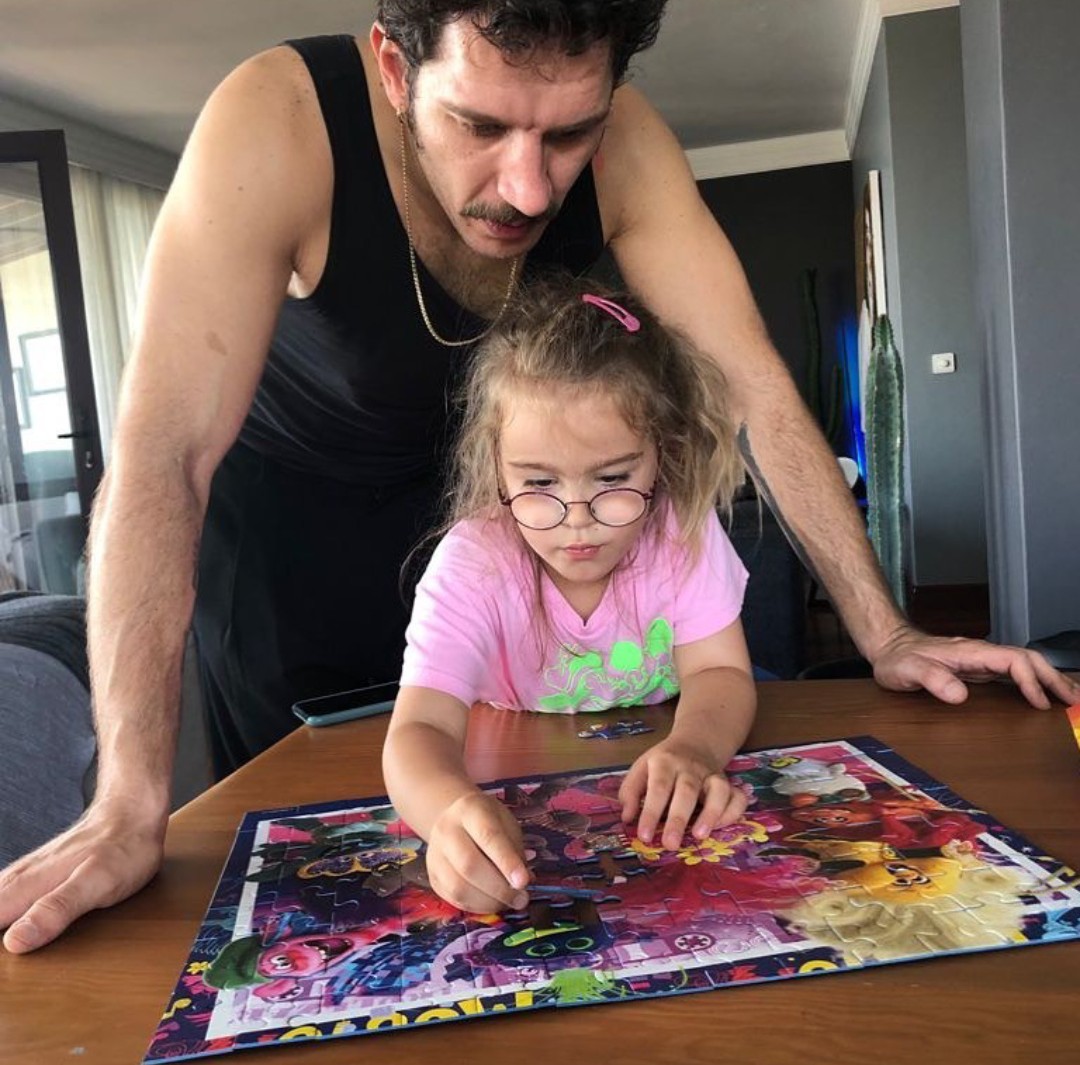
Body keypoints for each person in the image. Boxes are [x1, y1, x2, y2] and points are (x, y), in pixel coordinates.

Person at [1, 0, 1074, 956]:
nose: (527, 189)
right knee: (341, 900)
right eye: (479, 125)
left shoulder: (629, 145)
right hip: (291, 550)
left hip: (509, 517)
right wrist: (127, 800)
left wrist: (884, 630)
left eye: (568, 135)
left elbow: (752, 384)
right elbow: (163, 454)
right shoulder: (278, 122)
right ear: (394, 70)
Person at [383, 278, 757, 914]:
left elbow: (719, 672)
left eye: (612, 478)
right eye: (539, 483)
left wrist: (694, 749)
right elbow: (420, 726)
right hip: (517, 772)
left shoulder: (683, 532)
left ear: (662, 455)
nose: (577, 518)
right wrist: (448, 812)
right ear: (495, 464)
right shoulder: (474, 563)